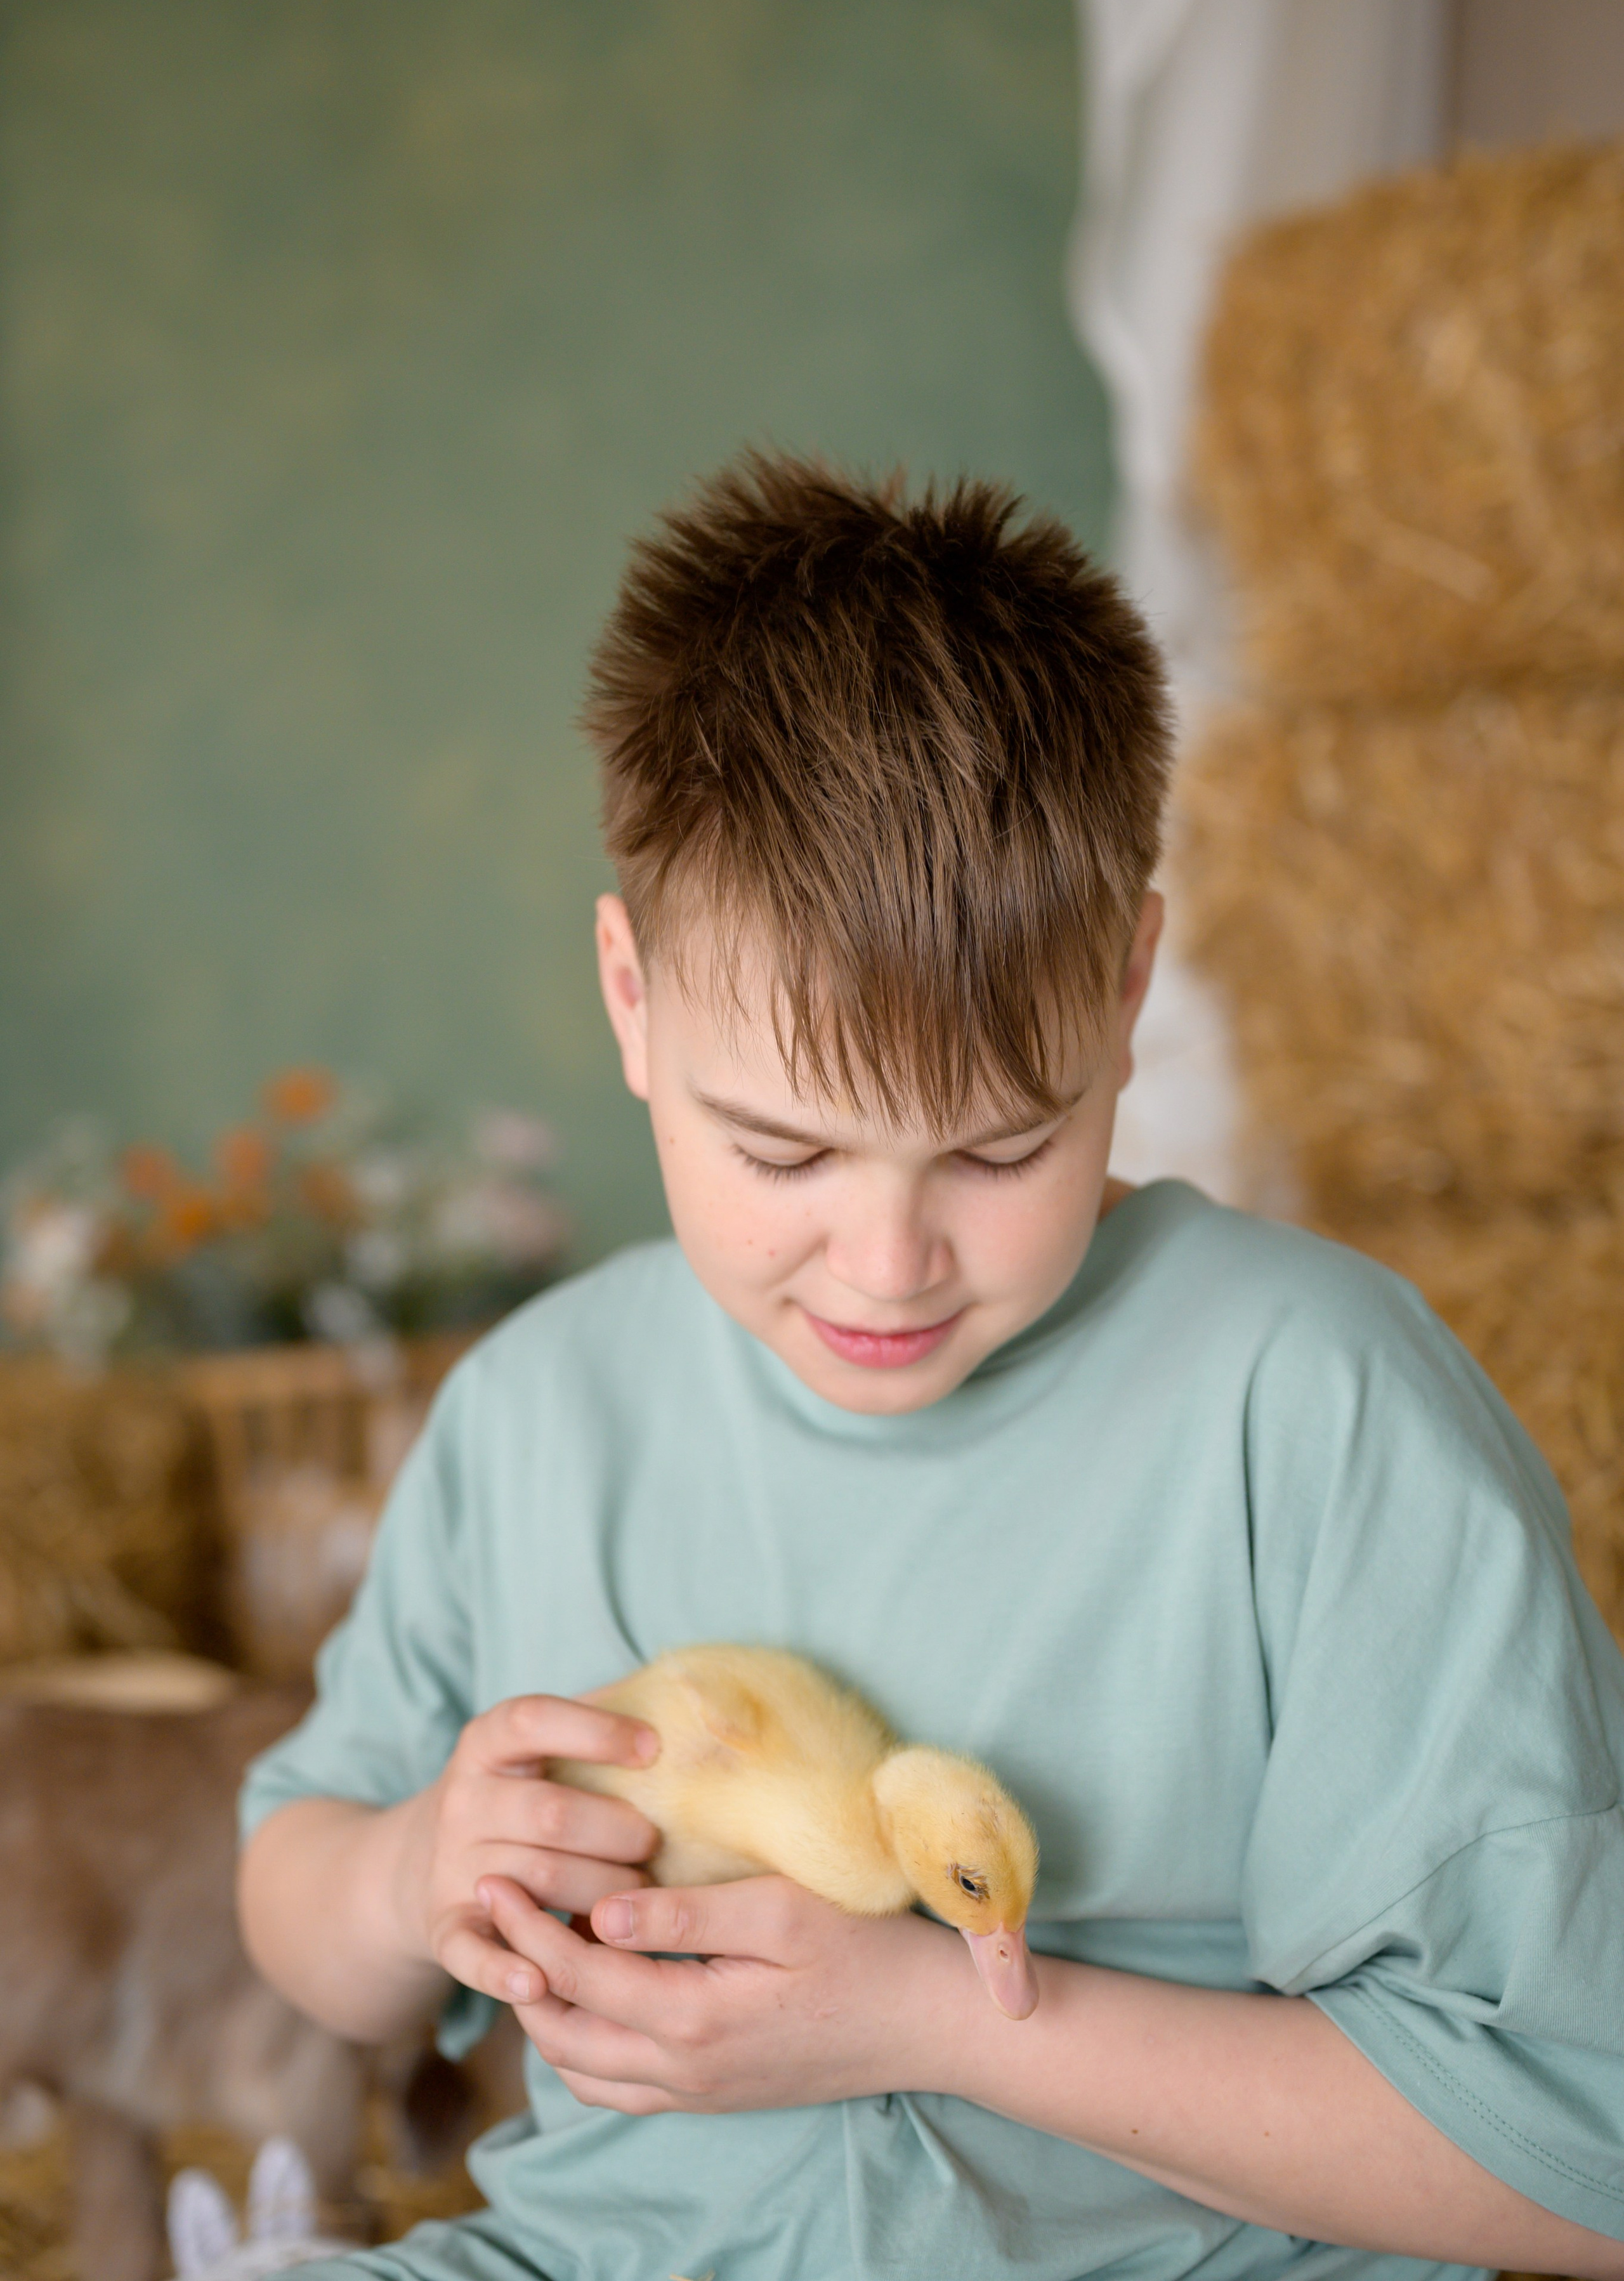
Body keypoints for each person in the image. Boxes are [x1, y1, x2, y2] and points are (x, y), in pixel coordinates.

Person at [237, 455, 1624, 2281]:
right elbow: (291, 1896)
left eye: (998, 1152)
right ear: (632, 1000)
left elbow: (1577, 2163)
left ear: (1129, 995)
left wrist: (938, 2019)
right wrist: (413, 1867)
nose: (888, 1264)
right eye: (787, 1156)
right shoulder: (535, 1412)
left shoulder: (1310, 1402)